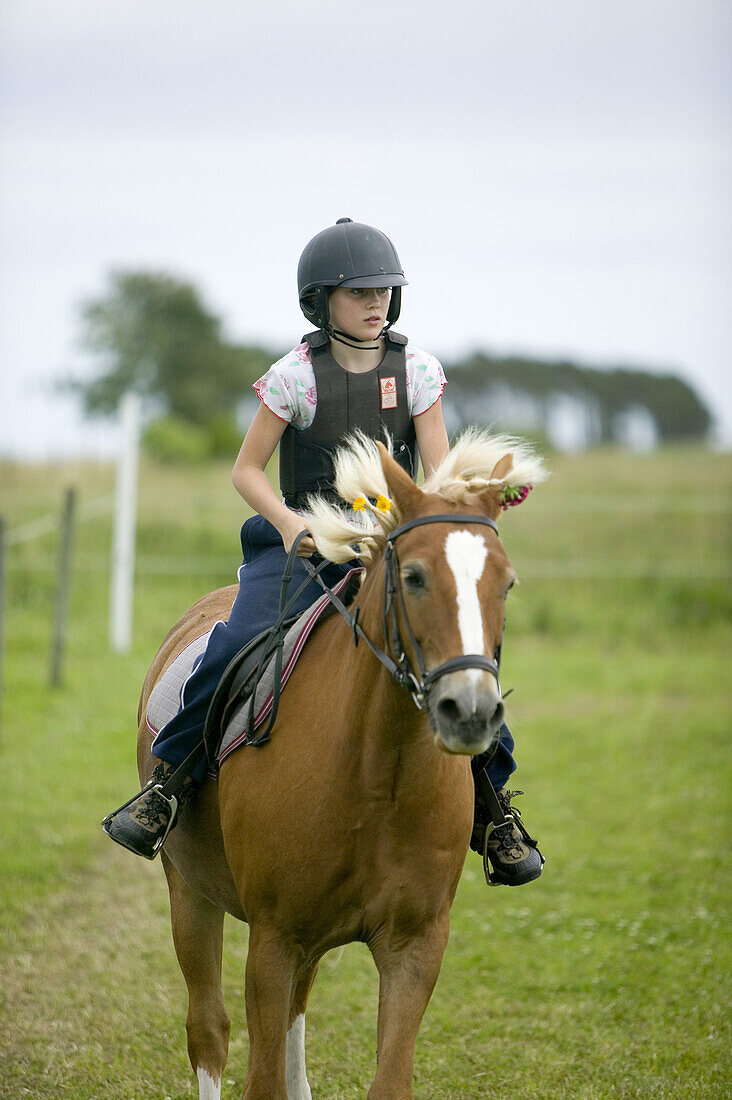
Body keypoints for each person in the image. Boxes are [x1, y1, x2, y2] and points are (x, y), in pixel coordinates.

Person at [103, 218, 543, 886]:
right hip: (301, 551)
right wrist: (285, 523)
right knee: (234, 646)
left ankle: (495, 811)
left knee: (462, 659)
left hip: (389, 552)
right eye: (358, 291)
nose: (376, 303)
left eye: (386, 291)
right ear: (320, 300)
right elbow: (246, 470)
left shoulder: (418, 371)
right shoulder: (293, 377)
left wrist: (475, 500)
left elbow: (439, 472)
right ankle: (169, 785)